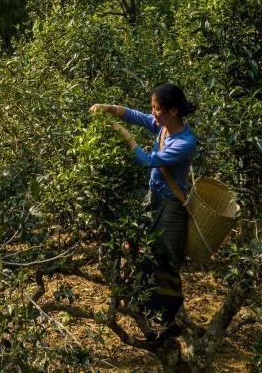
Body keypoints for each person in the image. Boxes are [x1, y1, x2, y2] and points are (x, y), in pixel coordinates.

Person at [89, 83, 197, 346]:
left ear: (173, 110)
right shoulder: (163, 126)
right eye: (153, 107)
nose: (153, 113)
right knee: (139, 252)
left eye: (157, 108)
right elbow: (139, 117)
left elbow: (149, 161)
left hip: (171, 208)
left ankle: (167, 322)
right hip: (152, 200)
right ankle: (148, 313)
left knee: (165, 263)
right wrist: (111, 109)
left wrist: (123, 134)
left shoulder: (185, 142)